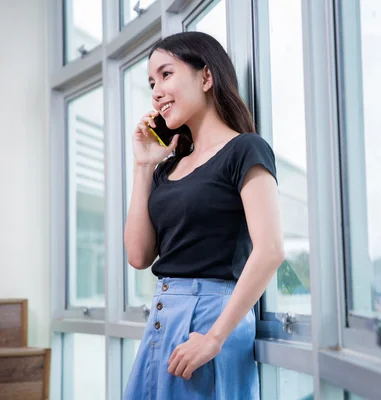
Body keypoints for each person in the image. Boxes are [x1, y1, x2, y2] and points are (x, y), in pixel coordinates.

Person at [123, 31, 284, 399]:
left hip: (211, 321)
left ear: (207, 77)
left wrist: (214, 338)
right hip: (163, 316)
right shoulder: (167, 168)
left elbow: (271, 250)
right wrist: (143, 166)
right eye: (151, 83)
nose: (156, 91)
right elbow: (138, 256)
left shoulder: (245, 149)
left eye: (166, 74)